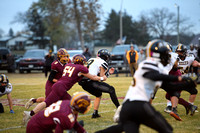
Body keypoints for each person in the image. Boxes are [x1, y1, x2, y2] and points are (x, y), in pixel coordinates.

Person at [95, 39, 196, 133]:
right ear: (157, 55)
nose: (168, 57)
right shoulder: (149, 63)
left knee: (121, 128)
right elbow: (151, 75)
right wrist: (178, 78)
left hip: (129, 107)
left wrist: (185, 85)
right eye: (165, 55)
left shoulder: (159, 67)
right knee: (167, 130)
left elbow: (170, 88)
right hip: (138, 105)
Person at [23, 54, 107, 125]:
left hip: (58, 85)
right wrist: (102, 78)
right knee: (71, 104)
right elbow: (92, 77)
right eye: (83, 61)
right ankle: (68, 121)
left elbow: (78, 75)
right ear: (81, 61)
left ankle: (30, 114)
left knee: (49, 103)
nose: (84, 63)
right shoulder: (81, 69)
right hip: (61, 87)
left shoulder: (68, 65)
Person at [79, 49, 120, 118]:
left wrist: (106, 73)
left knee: (98, 94)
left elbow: (95, 73)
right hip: (90, 82)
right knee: (111, 89)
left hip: (83, 83)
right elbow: (102, 78)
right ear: (105, 57)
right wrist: (108, 73)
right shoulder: (102, 62)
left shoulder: (91, 59)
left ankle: (95, 113)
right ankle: (120, 109)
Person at [163, 43, 198, 120]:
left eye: (181, 52)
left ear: (185, 52)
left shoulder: (190, 58)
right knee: (171, 95)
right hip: (174, 78)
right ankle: (188, 106)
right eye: (178, 52)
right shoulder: (173, 57)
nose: (179, 53)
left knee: (192, 91)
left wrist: (197, 64)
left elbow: (196, 62)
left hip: (181, 78)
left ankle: (186, 106)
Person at [26, 92, 91, 133]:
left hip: (41, 125)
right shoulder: (66, 116)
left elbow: (75, 123)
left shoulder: (68, 105)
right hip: (36, 128)